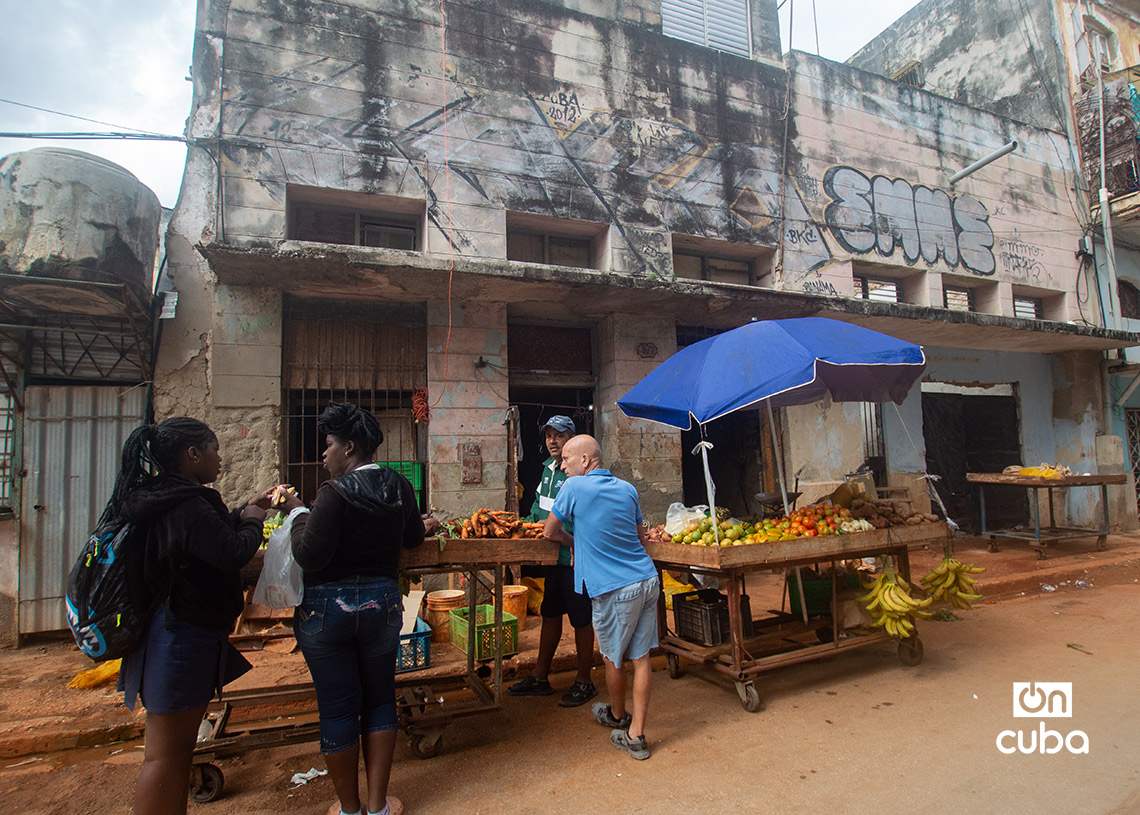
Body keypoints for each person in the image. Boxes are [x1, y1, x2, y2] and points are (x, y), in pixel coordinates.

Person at [113, 417, 272, 815]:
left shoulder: (160, 497)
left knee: (174, 754)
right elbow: (233, 551)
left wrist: (240, 510)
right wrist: (253, 520)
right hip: (179, 638)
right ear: (192, 454)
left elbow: (200, 541)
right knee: (166, 757)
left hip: (170, 632)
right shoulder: (187, 505)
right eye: (214, 449)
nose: (220, 458)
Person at [277, 402, 425, 815]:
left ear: (350, 447)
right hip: (381, 604)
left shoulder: (333, 492)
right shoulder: (399, 486)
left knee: (339, 706)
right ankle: (377, 806)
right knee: (379, 700)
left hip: (328, 611)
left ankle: (349, 809)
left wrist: (297, 512)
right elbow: (412, 538)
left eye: (329, 446)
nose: (324, 454)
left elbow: (309, 556)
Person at [543, 435, 660, 760]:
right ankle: (634, 730)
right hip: (647, 579)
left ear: (586, 460)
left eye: (566, 459)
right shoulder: (627, 489)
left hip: (614, 589)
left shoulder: (573, 489)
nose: (562, 465)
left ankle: (621, 719)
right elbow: (639, 537)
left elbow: (549, 532)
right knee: (641, 658)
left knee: (611, 656)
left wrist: (574, 541)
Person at [507, 415, 598, 708]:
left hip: (573, 559)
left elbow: (578, 517)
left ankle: (585, 681)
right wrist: (524, 525)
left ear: (571, 438)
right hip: (551, 560)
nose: (553, 441)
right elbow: (537, 507)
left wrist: (555, 532)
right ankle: (540, 677)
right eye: (548, 436)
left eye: (559, 435)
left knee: (581, 618)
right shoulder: (547, 469)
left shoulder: (577, 473)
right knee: (550, 612)